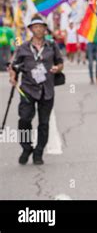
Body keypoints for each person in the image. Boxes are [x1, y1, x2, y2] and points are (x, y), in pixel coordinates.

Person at [8, 14, 64, 165]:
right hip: (27, 89)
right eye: (35, 27)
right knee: (25, 119)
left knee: (44, 123)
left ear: (45, 29)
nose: (38, 29)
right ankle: (26, 148)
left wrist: (57, 68)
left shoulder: (52, 46)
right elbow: (13, 66)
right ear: (31, 29)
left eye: (41, 27)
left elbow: (60, 63)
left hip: (47, 90)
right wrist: (13, 77)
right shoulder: (23, 48)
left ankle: (38, 153)